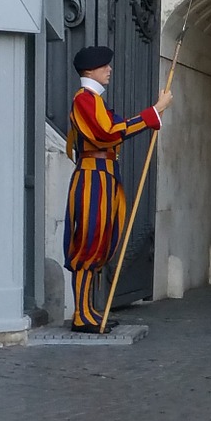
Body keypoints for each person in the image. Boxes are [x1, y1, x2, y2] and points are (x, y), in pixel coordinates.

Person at [62, 45, 173, 334]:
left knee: (100, 245)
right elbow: (107, 133)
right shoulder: (84, 100)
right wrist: (154, 112)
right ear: (90, 71)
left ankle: (89, 310)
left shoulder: (94, 100)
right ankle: (81, 314)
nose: (109, 70)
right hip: (93, 176)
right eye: (104, 66)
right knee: (88, 244)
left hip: (105, 174)